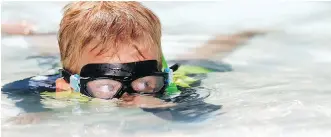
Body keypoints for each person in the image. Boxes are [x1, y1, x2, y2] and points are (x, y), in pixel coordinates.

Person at [2, 1, 262, 124]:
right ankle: (29, 32)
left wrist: (159, 103)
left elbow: (202, 117)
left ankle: (246, 31)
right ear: (69, 83)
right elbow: (14, 89)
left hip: (183, 71)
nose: (126, 94)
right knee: (46, 52)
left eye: (145, 82)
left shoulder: (170, 88)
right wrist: (36, 111)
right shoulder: (57, 86)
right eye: (106, 86)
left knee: (201, 59)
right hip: (62, 64)